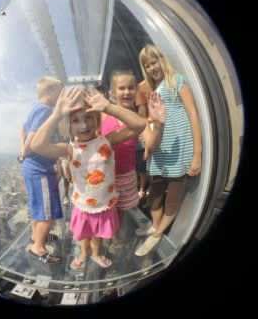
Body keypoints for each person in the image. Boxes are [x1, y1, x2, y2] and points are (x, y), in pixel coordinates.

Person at [31, 86, 165, 270]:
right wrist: (56, 114)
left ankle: (95, 254)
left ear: (97, 119)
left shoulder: (107, 140)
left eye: (88, 117)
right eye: (75, 120)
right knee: (84, 235)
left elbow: (139, 125)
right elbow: (37, 146)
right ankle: (84, 254)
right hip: (83, 206)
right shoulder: (70, 148)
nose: (83, 125)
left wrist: (108, 107)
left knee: (98, 235)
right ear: (68, 125)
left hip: (104, 204)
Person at [134, 44, 203, 257]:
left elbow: (193, 114)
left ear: (161, 59)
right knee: (154, 195)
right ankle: (156, 225)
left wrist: (197, 154)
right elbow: (154, 120)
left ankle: (157, 235)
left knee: (172, 197)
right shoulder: (155, 90)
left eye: (154, 62)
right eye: (148, 65)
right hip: (162, 150)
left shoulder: (177, 81)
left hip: (179, 149)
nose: (152, 67)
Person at [100, 70, 165, 225]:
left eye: (131, 88)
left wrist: (159, 124)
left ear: (136, 91)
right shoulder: (104, 114)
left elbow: (151, 144)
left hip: (125, 176)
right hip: (103, 174)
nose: (127, 92)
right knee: (103, 210)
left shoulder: (138, 118)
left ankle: (117, 236)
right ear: (112, 92)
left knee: (121, 210)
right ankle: (107, 237)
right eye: (122, 88)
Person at [20, 76, 65, 264]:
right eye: (60, 91)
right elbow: (32, 135)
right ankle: (38, 248)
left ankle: (35, 236)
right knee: (48, 212)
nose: (62, 96)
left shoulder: (35, 109)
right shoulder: (46, 110)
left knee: (36, 206)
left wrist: (23, 152)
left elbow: (22, 129)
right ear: (50, 92)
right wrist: (24, 151)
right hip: (40, 169)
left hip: (32, 168)